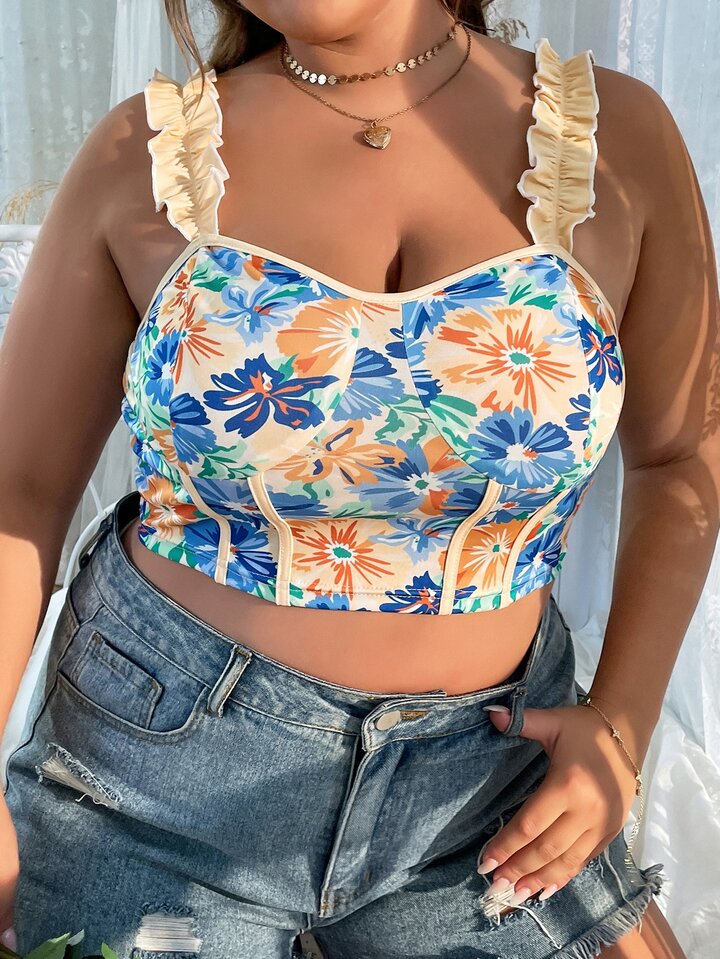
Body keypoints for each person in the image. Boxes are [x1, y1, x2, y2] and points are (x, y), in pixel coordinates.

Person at [1, 0, 716, 955]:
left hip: (493, 798)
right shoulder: (146, 154)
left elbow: (681, 460)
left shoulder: (614, 139)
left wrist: (620, 727)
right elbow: (19, 488)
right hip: (149, 782)